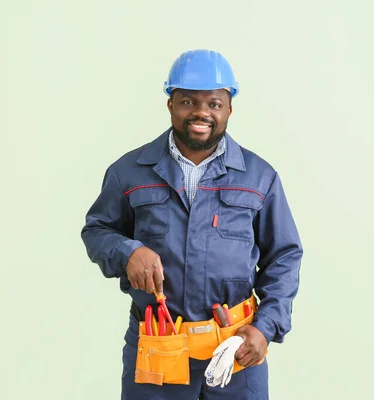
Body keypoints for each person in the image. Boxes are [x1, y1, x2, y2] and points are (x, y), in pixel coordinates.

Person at [81, 49, 303, 400]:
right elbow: (97, 230)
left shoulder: (259, 178)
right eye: (188, 101)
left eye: (214, 103)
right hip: (157, 352)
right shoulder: (129, 172)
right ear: (170, 104)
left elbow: (285, 256)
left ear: (229, 109)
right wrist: (128, 251)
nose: (202, 112)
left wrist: (265, 328)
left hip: (236, 352)